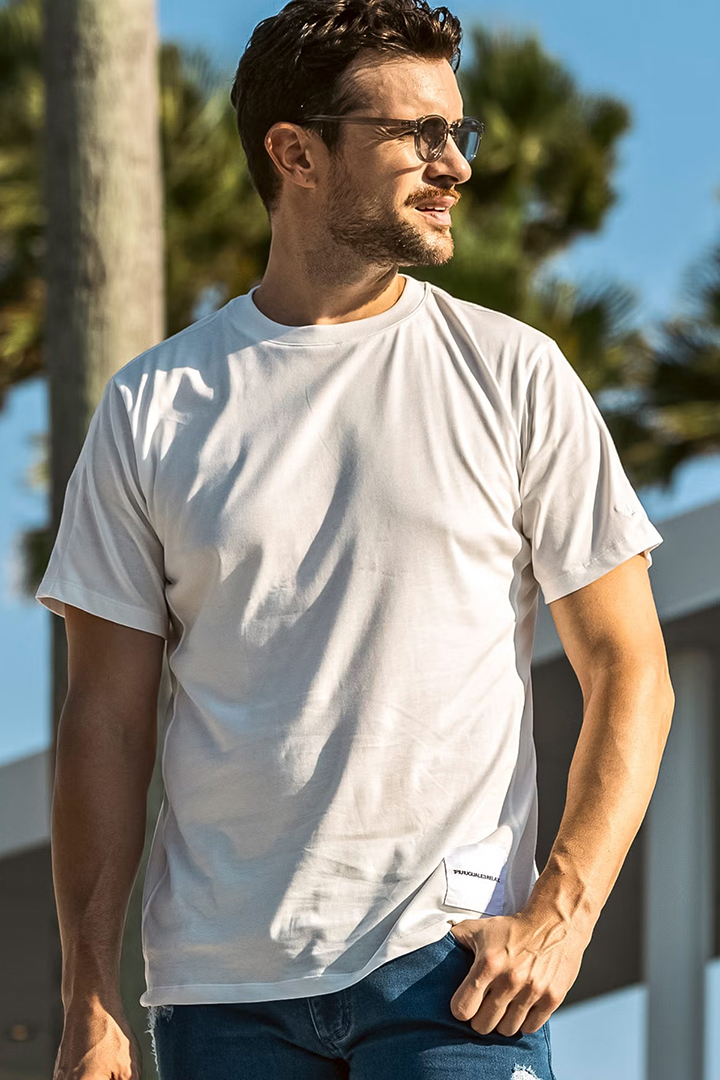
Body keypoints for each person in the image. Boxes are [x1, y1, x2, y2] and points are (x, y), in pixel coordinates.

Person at [38, 1, 675, 1077]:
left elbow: (630, 667)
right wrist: (89, 997)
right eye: (418, 134)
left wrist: (560, 916)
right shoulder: (155, 405)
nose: (454, 165)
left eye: (458, 133)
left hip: (455, 981)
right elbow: (105, 719)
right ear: (297, 154)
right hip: (218, 999)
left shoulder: (513, 374)